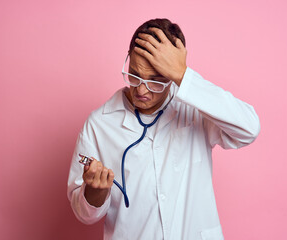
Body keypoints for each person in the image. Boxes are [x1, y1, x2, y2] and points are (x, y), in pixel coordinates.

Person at [67, 18, 260, 240]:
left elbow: (249, 129)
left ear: (171, 76)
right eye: (134, 75)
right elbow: (84, 214)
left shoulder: (195, 109)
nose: (141, 90)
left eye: (156, 80)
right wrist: (95, 193)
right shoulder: (99, 124)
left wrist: (184, 75)